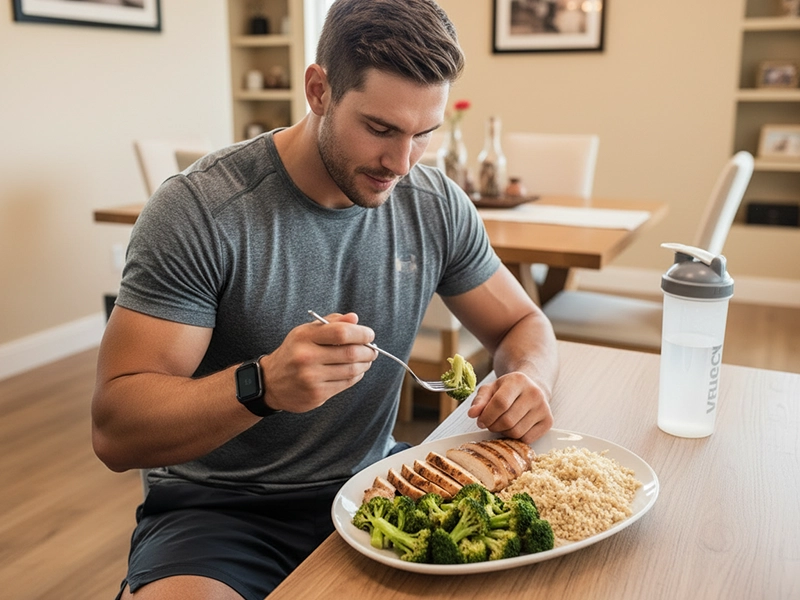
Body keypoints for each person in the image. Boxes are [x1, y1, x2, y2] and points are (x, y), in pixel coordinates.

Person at [91, 0, 559, 598]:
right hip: (221, 511)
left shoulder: (434, 202)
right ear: (318, 90)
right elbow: (115, 431)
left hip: (379, 486)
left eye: (424, 135)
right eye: (380, 129)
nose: (401, 163)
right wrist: (261, 386)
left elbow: (523, 322)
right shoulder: (200, 211)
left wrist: (529, 377)